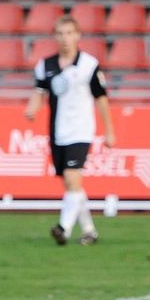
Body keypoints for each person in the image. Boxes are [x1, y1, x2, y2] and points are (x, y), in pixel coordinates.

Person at [24, 15, 116, 246]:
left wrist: (109, 131)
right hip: (57, 131)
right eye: (61, 33)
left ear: (77, 35)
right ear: (55, 36)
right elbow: (39, 90)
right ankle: (89, 231)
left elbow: (101, 99)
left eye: (69, 33)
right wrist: (32, 108)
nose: (65, 38)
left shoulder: (89, 65)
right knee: (71, 184)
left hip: (81, 130)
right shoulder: (46, 65)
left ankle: (63, 228)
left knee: (71, 178)